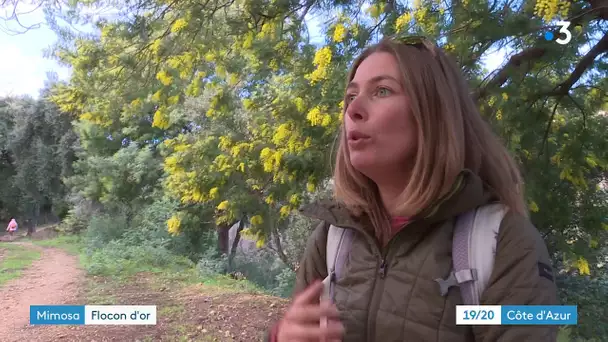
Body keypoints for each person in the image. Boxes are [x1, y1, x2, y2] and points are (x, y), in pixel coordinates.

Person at [268, 36, 558, 341]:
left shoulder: (505, 242)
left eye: (382, 91)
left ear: (433, 114)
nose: (353, 110)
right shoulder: (332, 240)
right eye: (350, 96)